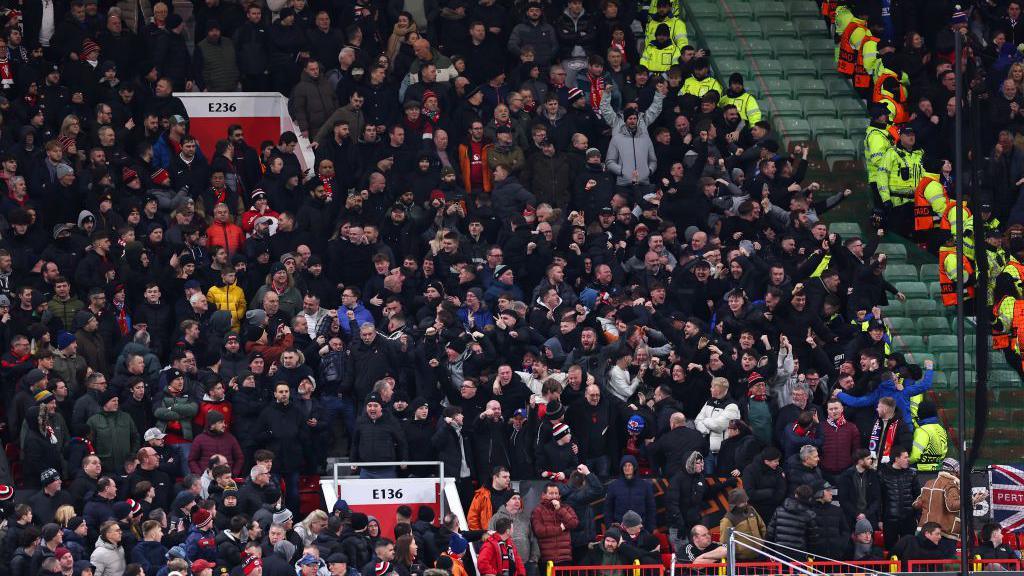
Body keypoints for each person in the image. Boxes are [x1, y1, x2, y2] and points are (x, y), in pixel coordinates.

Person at [913, 458, 988, 557]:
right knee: (945, 564)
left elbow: (916, 504)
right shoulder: (951, 485)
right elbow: (952, 506)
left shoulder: (929, 483)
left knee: (927, 562)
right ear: (954, 471)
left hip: (926, 531)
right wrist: (973, 500)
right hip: (944, 533)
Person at [530, 483, 578, 567]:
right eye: (551, 493)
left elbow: (574, 523)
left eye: (556, 493)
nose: (554, 496)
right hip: (546, 559)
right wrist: (560, 528)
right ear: (544, 495)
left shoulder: (566, 508)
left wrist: (560, 509)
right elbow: (539, 531)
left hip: (565, 558)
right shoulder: (538, 510)